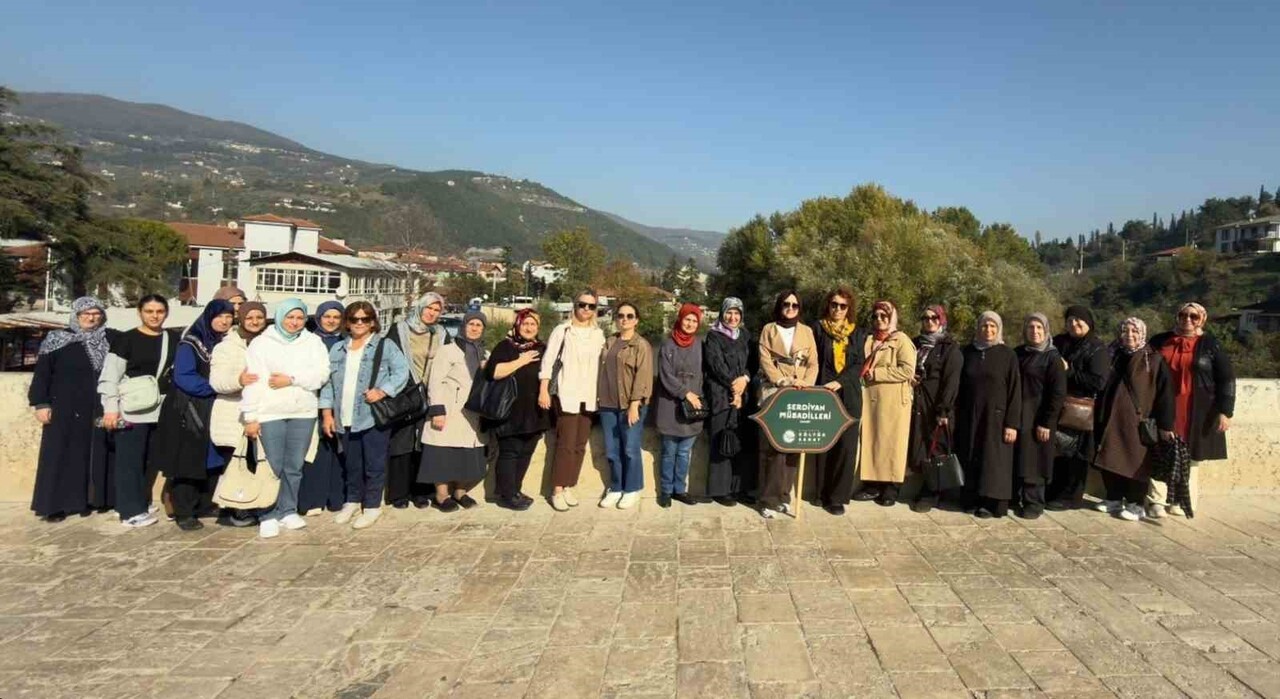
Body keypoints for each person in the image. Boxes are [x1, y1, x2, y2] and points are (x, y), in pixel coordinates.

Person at [242, 299, 331, 539]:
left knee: (294, 466)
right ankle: (268, 513)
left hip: (302, 412)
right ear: (280, 316)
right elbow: (253, 381)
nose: (294, 322)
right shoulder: (261, 343)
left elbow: (321, 375)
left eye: (299, 318)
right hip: (270, 412)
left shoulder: (313, 342)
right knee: (271, 465)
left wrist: (291, 379)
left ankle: (288, 510)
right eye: (290, 317)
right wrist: (250, 416)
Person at [319, 302, 408, 529]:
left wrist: (382, 391)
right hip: (344, 415)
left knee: (374, 463)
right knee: (351, 463)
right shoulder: (338, 349)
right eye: (355, 319)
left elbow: (401, 372)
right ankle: (352, 500)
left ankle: (371, 506)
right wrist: (327, 414)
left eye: (365, 319)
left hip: (371, 416)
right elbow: (328, 384)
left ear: (372, 322)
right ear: (347, 322)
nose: (360, 323)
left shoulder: (384, 346)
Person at [29, 296, 114, 522]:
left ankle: (90, 500)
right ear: (75, 316)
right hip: (64, 408)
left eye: (96, 314)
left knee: (94, 453)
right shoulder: (57, 339)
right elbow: (43, 374)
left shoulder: (110, 339)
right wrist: (41, 403)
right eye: (85, 313)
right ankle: (54, 505)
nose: (91, 318)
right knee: (60, 455)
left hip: (97, 407)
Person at [1147, 302, 1235, 518]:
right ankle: (1156, 500)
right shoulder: (1160, 341)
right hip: (1162, 404)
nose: (1187, 320)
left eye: (1193, 317)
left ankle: (1182, 501)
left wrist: (1226, 411)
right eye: (1183, 315)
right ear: (1176, 317)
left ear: (1202, 319)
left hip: (1198, 409)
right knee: (1158, 450)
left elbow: (1226, 379)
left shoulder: (1211, 344)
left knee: (1191, 456)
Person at [97, 294, 178, 529]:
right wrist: (111, 409)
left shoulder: (172, 339)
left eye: (159, 311)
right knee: (129, 460)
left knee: (150, 459)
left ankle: (134, 501)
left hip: (160, 408)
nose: (154, 316)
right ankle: (129, 512)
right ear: (140, 312)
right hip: (132, 409)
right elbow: (110, 376)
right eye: (149, 311)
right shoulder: (126, 339)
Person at [156, 299, 235, 530]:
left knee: (212, 460)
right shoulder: (191, 344)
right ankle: (184, 511)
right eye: (220, 316)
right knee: (188, 461)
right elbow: (184, 377)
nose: (224, 320)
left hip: (212, 408)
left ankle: (205, 504)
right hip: (189, 410)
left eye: (229, 316)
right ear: (208, 317)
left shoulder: (226, 343)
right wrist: (218, 386)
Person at [1093, 318, 1175, 522]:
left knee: (1137, 462)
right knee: (1110, 457)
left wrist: (1166, 424)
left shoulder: (1153, 359)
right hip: (1111, 418)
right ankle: (1113, 498)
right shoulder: (1113, 354)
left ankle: (1135, 504)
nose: (1129, 335)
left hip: (1138, 422)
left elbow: (1165, 395)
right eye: (1125, 330)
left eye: (1134, 331)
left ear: (1142, 334)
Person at [539, 289, 607, 511]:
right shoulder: (563, 331)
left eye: (591, 306)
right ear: (575, 306)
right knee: (565, 444)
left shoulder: (598, 334)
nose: (586, 309)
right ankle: (557, 489)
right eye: (582, 304)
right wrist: (543, 389)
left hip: (589, 396)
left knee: (579, 445)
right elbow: (548, 361)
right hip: (567, 394)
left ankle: (569, 485)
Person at [419, 311, 490, 512]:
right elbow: (435, 381)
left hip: (473, 415)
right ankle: (441, 495)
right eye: (471, 324)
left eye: (479, 325)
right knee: (442, 454)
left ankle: (460, 491)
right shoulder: (448, 350)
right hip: (450, 411)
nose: (475, 328)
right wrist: (437, 411)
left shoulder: (484, 353)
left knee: (468, 455)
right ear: (463, 326)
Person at [954, 312, 1022, 518]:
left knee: (994, 462)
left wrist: (1012, 424)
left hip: (997, 419)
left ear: (999, 328)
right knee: (971, 455)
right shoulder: (968, 352)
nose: (989, 330)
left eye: (993, 326)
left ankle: (991, 503)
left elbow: (1014, 390)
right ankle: (971, 499)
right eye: (984, 326)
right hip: (970, 417)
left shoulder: (1007, 355)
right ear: (978, 328)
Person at [757, 290, 818, 518]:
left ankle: (784, 496)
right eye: (786, 304)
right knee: (773, 447)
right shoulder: (768, 330)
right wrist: (780, 380)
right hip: (774, 392)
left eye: (794, 305)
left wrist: (805, 383)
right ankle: (767, 499)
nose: (790, 308)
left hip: (798, 393)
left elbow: (813, 363)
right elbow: (764, 359)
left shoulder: (807, 332)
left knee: (793, 446)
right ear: (779, 305)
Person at [208, 300, 268, 526]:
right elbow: (216, 382)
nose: (254, 321)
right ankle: (234, 508)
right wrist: (238, 380)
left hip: (262, 414)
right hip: (233, 415)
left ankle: (256, 505)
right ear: (241, 319)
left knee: (258, 462)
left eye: (259, 317)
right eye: (250, 317)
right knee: (235, 464)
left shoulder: (269, 343)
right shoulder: (226, 347)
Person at [483, 308, 550, 511]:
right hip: (509, 410)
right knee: (510, 451)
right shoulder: (506, 347)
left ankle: (515, 490)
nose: (529, 328)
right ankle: (506, 494)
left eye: (533, 324)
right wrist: (521, 361)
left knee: (527, 451)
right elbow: (494, 372)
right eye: (525, 324)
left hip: (534, 409)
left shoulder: (542, 348)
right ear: (517, 325)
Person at [385, 292, 447, 509]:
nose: (432, 313)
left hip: (429, 395)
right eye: (429, 307)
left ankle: (421, 492)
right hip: (404, 394)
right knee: (401, 444)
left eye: (437, 310)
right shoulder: (399, 330)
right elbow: (389, 360)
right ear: (420, 307)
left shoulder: (441, 333)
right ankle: (399, 494)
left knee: (424, 444)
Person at [1045, 305, 1111, 510]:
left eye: (1078, 320)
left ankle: (1070, 497)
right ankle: (1052, 492)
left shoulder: (1097, 348)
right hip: (1058, 404)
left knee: (1076, 454)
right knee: (1057, 451)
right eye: (1070, 320)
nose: (1073, 324)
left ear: (1088, 323)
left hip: (1079, 409)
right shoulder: (1058, 342)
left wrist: (1069, 371)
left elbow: (1098, 382)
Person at [854, 301, 917, 507]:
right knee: (873, 440)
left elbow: (907, 370)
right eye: (876, 316)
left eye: (884, 316)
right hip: (872, 398)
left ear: (892, 317)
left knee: (892, 444)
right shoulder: (869, 339)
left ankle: (891, 488)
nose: (879, 320)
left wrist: (877, 373)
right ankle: (872, 485)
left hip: (893, 401)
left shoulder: (901, 340)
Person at [811, 288, 867, 515]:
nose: (837, 309)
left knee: (846, 446)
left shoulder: (857, 333)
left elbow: (859, 364)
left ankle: (837, 498)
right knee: (824, 442)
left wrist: (840, 381)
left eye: (843, 306)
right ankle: (821, 492)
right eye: (834, 304)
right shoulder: (817, 329)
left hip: (849, 394)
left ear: (848, 309)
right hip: (823, 392)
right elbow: (813, 359)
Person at [598, 302, 655, 509]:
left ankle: (632, 488)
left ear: (636, 320)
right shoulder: (610, 341)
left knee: (630, 448)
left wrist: (634, 404)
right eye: (621, 315)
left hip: (630, 404)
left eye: (630, 316)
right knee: (612, 450)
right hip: (607, 404)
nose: (625, 319)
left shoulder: (641, 345)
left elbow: (643, 376)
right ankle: (616, 487)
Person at [906, 305, 962, 514]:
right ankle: (930, 489)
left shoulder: (950, 348)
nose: (929, 322)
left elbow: (951, 381)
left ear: (941, 321)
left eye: (934, 318)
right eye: (925, 317)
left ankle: (932, 493)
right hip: (919, 403)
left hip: (938, 406)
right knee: (923, 446)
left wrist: (944, 410)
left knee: (936, 447)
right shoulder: (915, 344)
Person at [703, 297, 758, 507]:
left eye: (736, 313)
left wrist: (744, 379)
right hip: (721, 396)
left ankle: (740, 488)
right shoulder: (713, 336)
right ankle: (720, 490)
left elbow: (753, 362)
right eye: (729, 313)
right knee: (721, 440)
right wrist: (732, 386)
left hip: (743, 396)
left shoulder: (745, 336)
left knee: (741, 441)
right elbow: (715, 364)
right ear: (722, 314)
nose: (732, 317)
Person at [1013, 313, 1067, 519]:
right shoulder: (1019, 353)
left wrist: (1047, 421)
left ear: (1046, 331)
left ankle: (1034, 502)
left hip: (1040, 416)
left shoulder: (1052, 358)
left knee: (1035, 460)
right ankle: (1017, 497)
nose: (1034, 332)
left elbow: (1058, 393)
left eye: (1039, 328)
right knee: (1020, 457)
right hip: (1020, 413)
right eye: (1030, 328)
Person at [298, 299, 346, 515]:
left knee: (339, 451)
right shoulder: (307, 341)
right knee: (315, 452)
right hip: (311, 401)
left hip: (341, 403)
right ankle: (313, 498)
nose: (331, 321)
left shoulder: (347, 341)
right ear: (318, 317)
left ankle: (336, 497)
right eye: (327, 316)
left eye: (336, 317)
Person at [655, 303, 704, 508]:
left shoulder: (700, 345)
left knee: (684, 452)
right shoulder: (667, 346)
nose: (690, 323)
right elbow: (666, 376)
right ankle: (666, 491)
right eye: (687, 319)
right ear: (680, 319)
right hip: (670, 406)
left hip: (693, 408)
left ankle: (679, 489)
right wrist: (686, 393)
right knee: (668, 451)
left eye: (694, 320)